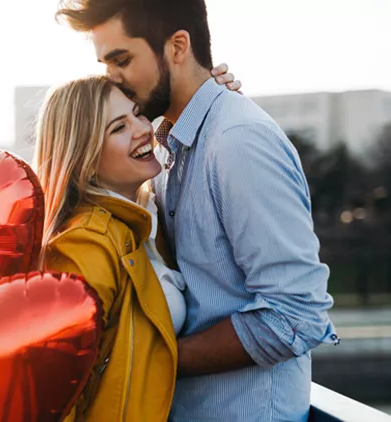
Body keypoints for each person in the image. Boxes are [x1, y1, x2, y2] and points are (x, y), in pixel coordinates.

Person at [54, 0, 339, 421]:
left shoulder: (237, 141)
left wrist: (155, 360)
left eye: (122, 60)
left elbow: (296, 316)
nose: (114, 79)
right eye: (107, 64)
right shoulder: (171, 146)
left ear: (178, 46)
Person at [34, 70, 240, 421]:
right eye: (118, 127)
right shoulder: (84, 245)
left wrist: (214, 105)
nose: (144, 128)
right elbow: (53, 395)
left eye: (137, 112)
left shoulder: (146, 214)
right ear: (83, 158)